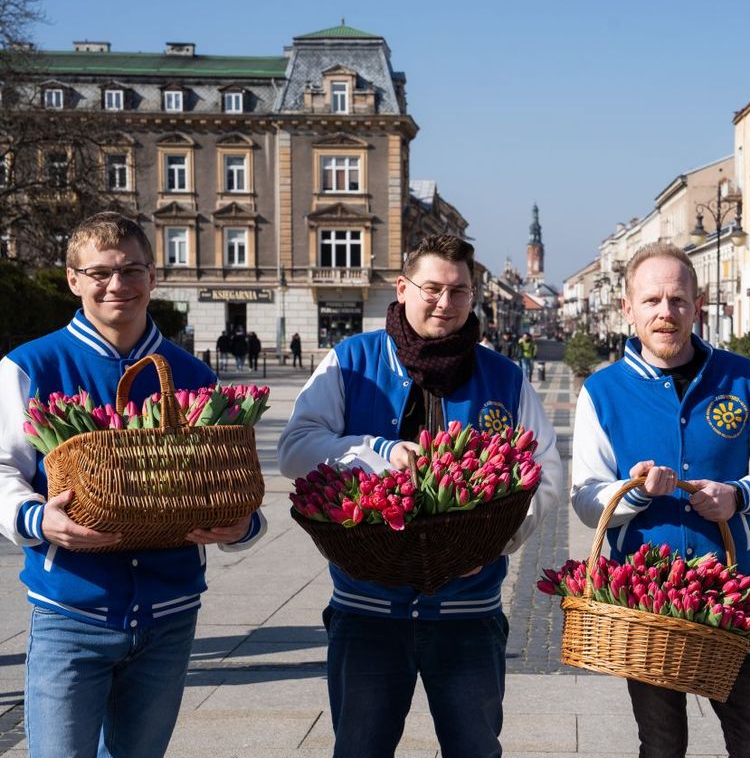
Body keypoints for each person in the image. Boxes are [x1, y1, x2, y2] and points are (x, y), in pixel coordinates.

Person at [278, 234, 563, 758]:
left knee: (476, 750)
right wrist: (378, 451)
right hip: (366, 607)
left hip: (468, 612)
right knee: (360, 750)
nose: (444, 303)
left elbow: (546, 471)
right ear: (402, 287)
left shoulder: (502, 375)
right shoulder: (352, 360)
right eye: (432, 288)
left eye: (459, 291)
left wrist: (494, 544)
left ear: (473, 295)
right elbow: (294, 449)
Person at [0, 211, 268, 757]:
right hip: (70, 612)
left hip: (170, 617)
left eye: (131, 270)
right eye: (98, 273)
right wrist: (38, 519)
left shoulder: (193, 374)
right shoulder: (32, 366)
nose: (116, 285)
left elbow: (229, 478)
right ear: (73, 279)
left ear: (153, 277)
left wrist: (243, 524)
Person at [570, 241, 750, 758]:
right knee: (660, 748)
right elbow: (587, 501)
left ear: (697, 306)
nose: (665, 313)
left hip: (731, 595)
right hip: (646, 604)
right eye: (652, 300)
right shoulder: (603, 391)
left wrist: (739, 495)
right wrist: (631, 495)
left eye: (678, 300)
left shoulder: (744, 378)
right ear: (627, 308)